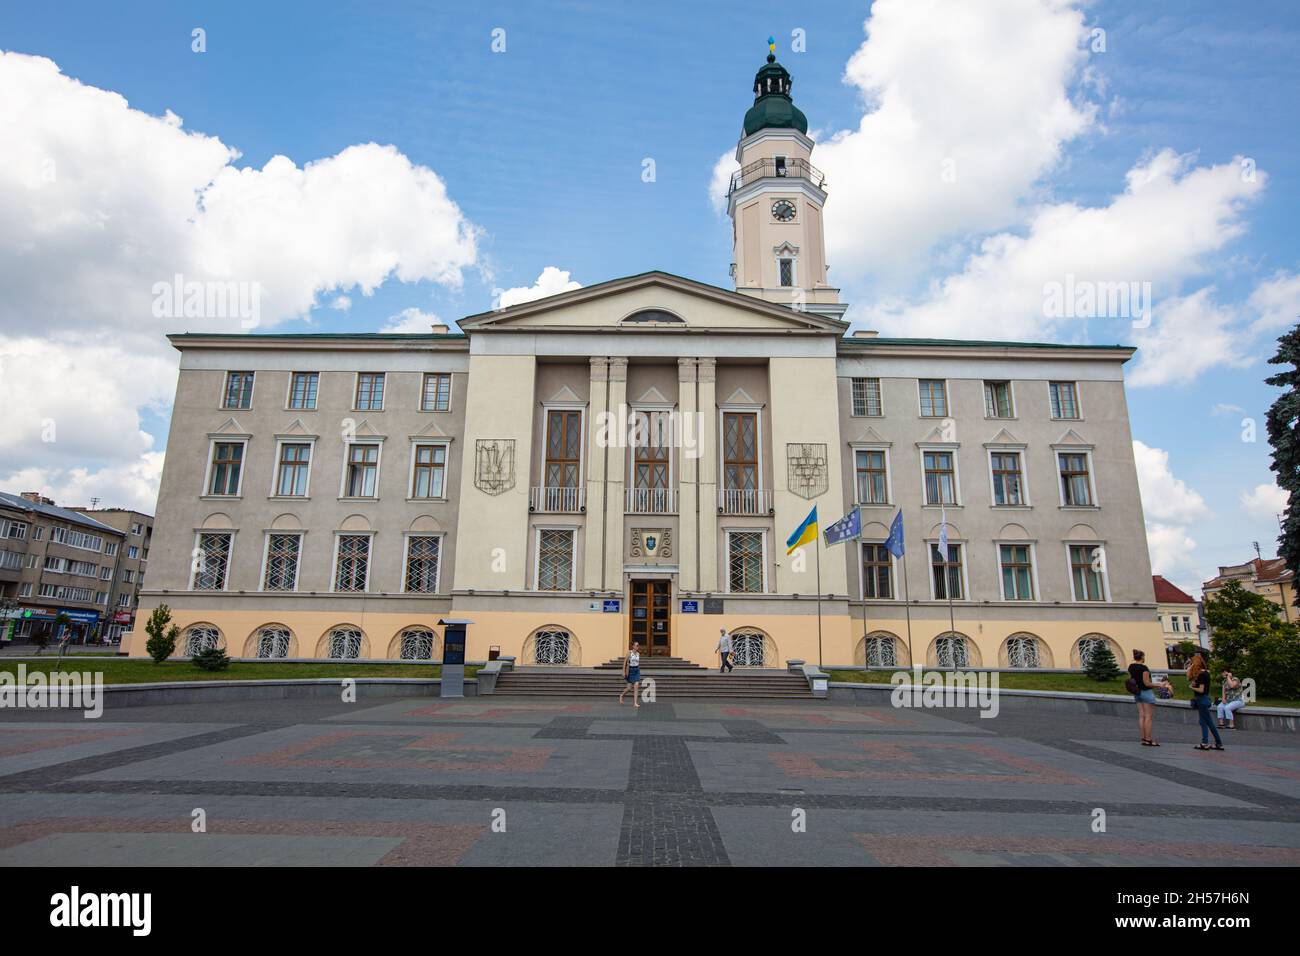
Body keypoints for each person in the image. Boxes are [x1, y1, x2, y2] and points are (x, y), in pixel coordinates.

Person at [1187, 654, 1224, 751]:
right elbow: (1188, 676)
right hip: (1203, 699)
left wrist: (1192, 687)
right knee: (1203, 722)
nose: (1191, 664)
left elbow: (1201, 690)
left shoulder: (1202, 675)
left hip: (1201, 699)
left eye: (1192, 663)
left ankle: (1216, 743)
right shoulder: (1204, 673)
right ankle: (1206, 742)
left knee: (1209, 722)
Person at [1128, 649, 1159, 746]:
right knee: (1148, 716)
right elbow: (1147, 683)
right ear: (1142, 657)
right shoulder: (1144, 668)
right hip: (1146, 692)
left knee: (1141, 716)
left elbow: (1131, 680)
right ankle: (1148, 739)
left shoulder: (1131, 667)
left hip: (1137, 692)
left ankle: (1143, 738)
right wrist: (1159, 685)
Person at [619, 640, 642, 709]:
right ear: (633, 646)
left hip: (636, 670)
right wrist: (623, 671)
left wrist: (637, 669)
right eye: (636, 645)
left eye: (638, 645)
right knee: (629, 688)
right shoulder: (629, 653)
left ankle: (635, 703)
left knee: (636, 685)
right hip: (630, 670)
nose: (638, 647)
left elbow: (637, 662)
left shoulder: (638, 654)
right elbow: (625, 662)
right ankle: (622, 695)